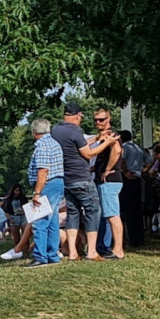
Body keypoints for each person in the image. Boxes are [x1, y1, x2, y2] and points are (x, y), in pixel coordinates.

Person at [51, 101, 116, 261]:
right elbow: (87, 154)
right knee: (93, 211)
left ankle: (73, 252)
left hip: (66, 178)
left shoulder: (56, 130)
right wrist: (106, 142)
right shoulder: (75, 130)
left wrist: (96, 138)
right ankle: (92, 251)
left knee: (73, 213)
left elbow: (77, 146)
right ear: (77, 116)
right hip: (81, 178)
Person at [25, 117, 64, 266]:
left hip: (47, 185)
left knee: (40, 220)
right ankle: (52, 255)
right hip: (58, 183)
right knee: (53, 221)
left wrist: (37, 193)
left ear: (34, 131)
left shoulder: (41, 146)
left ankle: (40, 257)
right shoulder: (55, 143)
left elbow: (43, 170)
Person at [91, 108, 125, 259]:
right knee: (108, 215)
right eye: (96, 120)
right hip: (107, 181)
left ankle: (118, 250)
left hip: (109, 181)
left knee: (112, 215)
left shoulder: (112, 134)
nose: (98, 122)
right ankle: (108, 247)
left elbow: (117, 151)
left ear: (109, 118)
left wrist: (107, 169)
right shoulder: (106, 135)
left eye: (102, 119)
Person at [118, 130, 148, 249]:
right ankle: (139, 238)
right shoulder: (139, 148)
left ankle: (131, 238)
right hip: (137, 178)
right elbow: (150, 161)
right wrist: (142, 172)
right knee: (136, 210)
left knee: (127, 210)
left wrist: (125, 172)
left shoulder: (123, 148)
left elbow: (122, 160)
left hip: (127, 179)